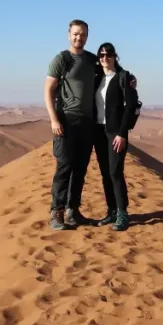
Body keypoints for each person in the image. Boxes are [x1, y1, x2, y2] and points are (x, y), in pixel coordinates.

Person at [44, 19, 98, 230]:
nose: (79, 37)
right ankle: (56, 213)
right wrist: (54, 119)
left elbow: (113, 70)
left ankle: (72, 210)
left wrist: (129, 80)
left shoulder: (92, 60)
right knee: (64, 167)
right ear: (69, 34)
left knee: (80, 169)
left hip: (87, 122)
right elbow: (48, 89)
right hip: (66, 119)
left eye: (83, 34)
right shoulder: (62, 59)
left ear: (87, 36)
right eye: (76, 34)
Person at [91, 42, 137, 231]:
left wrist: (122, 133)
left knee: (115, 171)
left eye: (108, 55)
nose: (104, 58)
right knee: (105, 173)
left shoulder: (123, 77)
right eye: (101, 55)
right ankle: (111, 211)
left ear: (114, 56)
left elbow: (131, 105)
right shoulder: (97, 77)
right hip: (98, 131)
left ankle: (122, 213)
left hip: (115, 132)